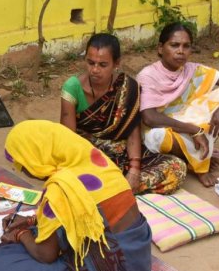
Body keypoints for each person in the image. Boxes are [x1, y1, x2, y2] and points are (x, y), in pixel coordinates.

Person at [0, 120, 173, 271]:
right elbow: (85, 212)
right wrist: (32, 222)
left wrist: (20, 233)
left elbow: (46, 255)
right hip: (139, 257)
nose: (21, 170)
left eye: (22, 163)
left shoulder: (61, 188)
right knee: (30, 238)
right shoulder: (97, 162)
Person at [60, 33, 187, 194]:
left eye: (103, 64)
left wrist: (134, 170)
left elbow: (132, 132)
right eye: (90, 63)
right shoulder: (72, 88)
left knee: (177, 169)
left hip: (122, 153)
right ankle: (115, 188)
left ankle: (111, 188)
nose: (95, 70)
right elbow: (68, 140)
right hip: (87, 154)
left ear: (116, 63)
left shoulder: (128, 88)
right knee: (72, 178)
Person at [137, 22, 219, 187]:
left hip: (189, 121)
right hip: (163, 127)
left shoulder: (193, 70)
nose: (181, 51)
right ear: (161, 48)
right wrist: (194, 130)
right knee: (158, 137)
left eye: (186, 46)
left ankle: (196, 152)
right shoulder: (148, 75)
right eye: (174, 45)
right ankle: (197, 158)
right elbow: (149, 118)